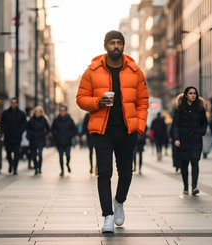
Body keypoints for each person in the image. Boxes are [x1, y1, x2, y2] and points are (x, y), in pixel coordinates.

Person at [76, 30, 149, 233]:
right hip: (102, 131)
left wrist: (139, 126)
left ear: (123, 45)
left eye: (119, 43)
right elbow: (81, 98)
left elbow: (143, 101)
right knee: (104, 173)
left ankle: (119, 201)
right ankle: (107, 215)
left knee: (126, 174)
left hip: (127, 131)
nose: (116, 46)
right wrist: (97, 102)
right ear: (105, 45)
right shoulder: (92, 71)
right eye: (112, 43)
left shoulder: (135, 71)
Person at [171, 86, 208, 196]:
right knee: (184, 164)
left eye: (194, 93)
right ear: (186, 95)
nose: (193, 95)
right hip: (183, 140)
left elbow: (204, 123)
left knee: (195, 162)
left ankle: (194, 186)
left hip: (196, 140)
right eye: (191, 93)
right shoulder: (179, 109)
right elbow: (175, 126)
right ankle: (186, 186)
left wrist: (201, 132)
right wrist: (176, 138)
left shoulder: (200, 108)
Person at [0, 97, 27, 175]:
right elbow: (2, 123)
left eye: (15, 103)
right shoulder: (5, 113)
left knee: (17, 154)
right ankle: (10, 164)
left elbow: (24, 124)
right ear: (10, 103)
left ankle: (15, 168)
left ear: (17, 104)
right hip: (8, 137)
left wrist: (20, 131)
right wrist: (5, 131)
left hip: (17, 137)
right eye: (12, 102)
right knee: (8, 153)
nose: (13, 104)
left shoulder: (21, 114)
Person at [51, 105, 77, 176]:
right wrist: (56, 135)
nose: (62, 112)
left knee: (68, 155)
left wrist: (70, 135)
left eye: (63, 110)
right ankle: (62, 170)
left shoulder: (70, 120)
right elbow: (53, 129)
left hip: (68, 141)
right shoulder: (56, 120)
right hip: (59, 141)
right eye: (61, 110)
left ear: (66, 111)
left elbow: (74, 130)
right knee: (60, 156)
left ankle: (67, 164)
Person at [27, 106, 50, 175]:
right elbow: (28, 129)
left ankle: (39, 167)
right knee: (34, 155)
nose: (37, 113)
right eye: (36, 112)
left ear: (41, 112)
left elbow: (48, 129)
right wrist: (30, 134)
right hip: (33, 139)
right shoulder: (31, 120)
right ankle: (35, 168)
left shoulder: (43, 119)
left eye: (39, 112)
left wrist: (43, 133)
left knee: (40, 154)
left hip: (41, 139)